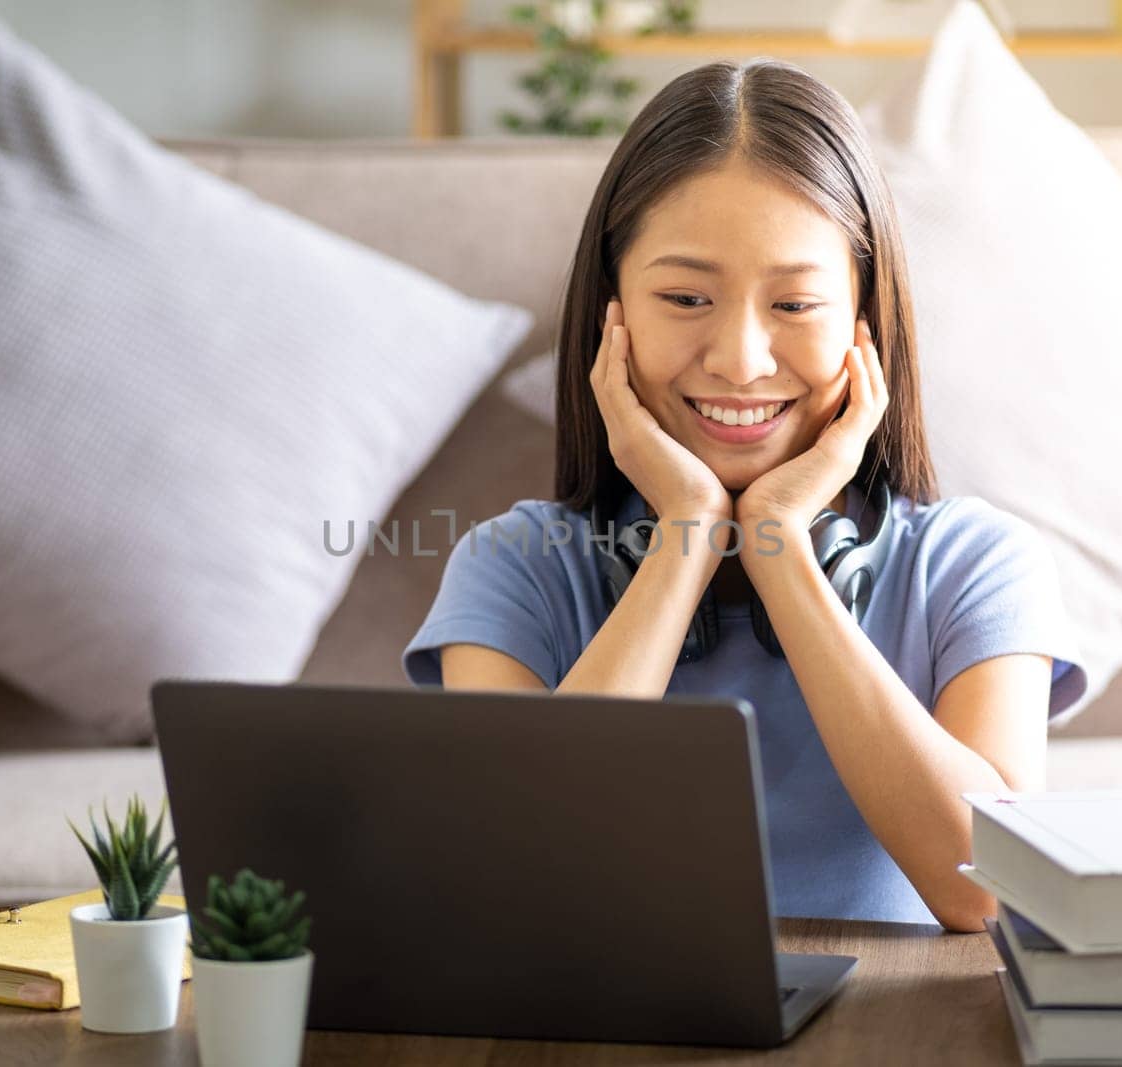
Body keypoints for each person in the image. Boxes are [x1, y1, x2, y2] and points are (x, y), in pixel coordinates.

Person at [401, 59, 1086, 933]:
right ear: (613, 315)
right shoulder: (515, 568)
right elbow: (515, 880)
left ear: (864, 322)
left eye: (796, 303)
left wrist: (780, 545)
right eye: (686, 297)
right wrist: (684, 537)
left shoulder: (977, 566)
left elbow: (984, 890)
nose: (740, 359)